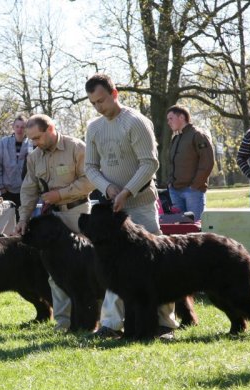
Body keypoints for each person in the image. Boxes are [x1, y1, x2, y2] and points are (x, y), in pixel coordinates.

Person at [84, 73, 179, 340]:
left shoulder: (136, 122)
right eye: (93, 103)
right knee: (114, 267)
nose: (98, 107)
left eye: (101, 100)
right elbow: (90, 167)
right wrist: (107, 188)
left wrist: (127, 191)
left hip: (141, 205)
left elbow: (149, 163)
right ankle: (111, 325)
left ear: (114, 94)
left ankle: (165, 324)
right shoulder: (94, 127)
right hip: (112, 209)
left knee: (157, 264)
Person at [13, 114, 94, 332]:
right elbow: (29, 190)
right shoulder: (34, 157)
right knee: (55, 273)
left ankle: (92, 322)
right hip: (50, 220)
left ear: (50, 129)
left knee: (85, 272)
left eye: (37, 138)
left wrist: (61, 194)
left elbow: (90, 180)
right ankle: (63, 323)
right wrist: (23, 219)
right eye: (31, 139)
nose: (34, 143)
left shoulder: (77, 148)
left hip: (77, 214)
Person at [166, 104, 215, 221]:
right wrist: (170, 184)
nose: (168, 122)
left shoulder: (198, 135)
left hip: (192, 191)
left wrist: (195, 185)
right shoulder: (176, 138)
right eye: (168, 120)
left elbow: (207, 162)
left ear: (181, 117)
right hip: (175, 191)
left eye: (171, 118)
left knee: (195, 229)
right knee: (180, 231)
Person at [0, 114, 31, 213]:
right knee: (7, 220)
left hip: (24, 190)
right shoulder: (3, 143)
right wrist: (1, 187)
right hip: (6, 190)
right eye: (17, 126)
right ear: (13, 127)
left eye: (22, 127)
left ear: (26, 128)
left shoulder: (31, 144)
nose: (19, 129)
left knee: (23, 219)